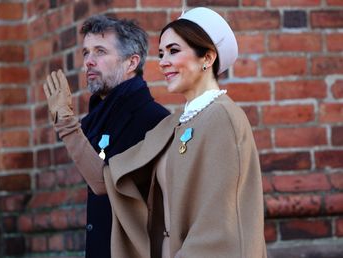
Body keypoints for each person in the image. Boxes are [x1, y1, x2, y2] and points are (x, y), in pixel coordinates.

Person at [44, 7, 267, 258]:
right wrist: (65, 121)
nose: (163, 62)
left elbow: (218, 226)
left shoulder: (222, 117)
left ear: (207, 58)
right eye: (161, 53)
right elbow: (105, 181)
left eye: (173, 51)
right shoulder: (172, 125)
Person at [44, 15, 170, 258]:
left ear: (131, 62)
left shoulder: (154, 120)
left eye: (100, 52)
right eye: (86, 53)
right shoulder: (98, 119)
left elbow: (104, 184)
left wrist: (67, 125)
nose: (89, 62)